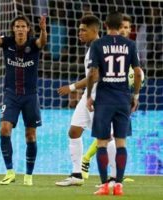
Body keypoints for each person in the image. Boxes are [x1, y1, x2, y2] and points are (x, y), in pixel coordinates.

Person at [0, 14, 47, 186]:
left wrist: (43, 29)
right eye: (17, 26)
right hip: (11, 94)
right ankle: (10, 172)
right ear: (13, 29)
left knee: (30, 135)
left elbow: (42, 42)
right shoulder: (7, 42)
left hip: (30, 96)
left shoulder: (33, 43)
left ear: (28, 29)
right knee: (4, 129)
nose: (20, 29)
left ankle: (28, 175)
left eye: (23, 26)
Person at [86, 11, 142, 195]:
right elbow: (138, 73)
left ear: (105, 24)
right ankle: (118, 184)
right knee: (121, 143)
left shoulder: (97, 44)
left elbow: (93, 72)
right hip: (123, 99)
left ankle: (104, 185)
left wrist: (88, 95)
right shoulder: (130, 44)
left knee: (101, 143)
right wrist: (135, 95)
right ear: (121, 26)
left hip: (104, 99)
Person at [55, 15, 100, 187]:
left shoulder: (98, 47)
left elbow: (95, 76)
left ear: (94, 30)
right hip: (88, 95)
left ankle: (114, 178)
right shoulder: (91, 48)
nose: (79, 33)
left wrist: (72, 87)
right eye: (79, 29)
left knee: (106, 137)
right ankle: (76, 174)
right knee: (74, 131)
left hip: (99, 97)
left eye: (83, 30)